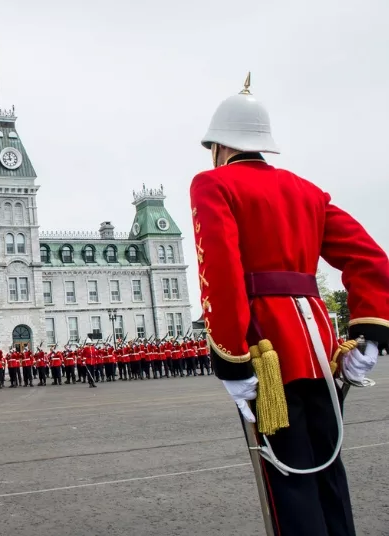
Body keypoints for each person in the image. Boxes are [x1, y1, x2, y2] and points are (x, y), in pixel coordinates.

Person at [192, 74, 389, 536]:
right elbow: (370, 259)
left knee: (289, 479)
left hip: (267, 351)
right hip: (321, 349)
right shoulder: (308, 191)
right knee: (328, 470)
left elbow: (218, 274)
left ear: (220, 145)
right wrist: (370, 337)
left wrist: (232, 360)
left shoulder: (213, 184)